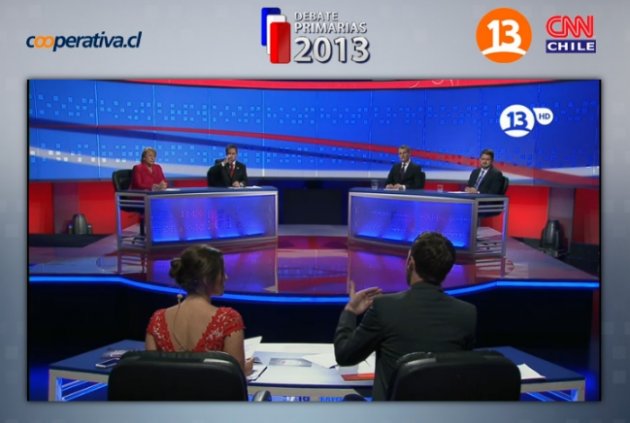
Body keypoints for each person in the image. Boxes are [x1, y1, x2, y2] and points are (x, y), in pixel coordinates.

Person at [334, 232, 477, 401]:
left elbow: (345, 356)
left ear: (411, 263)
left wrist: (350, 311)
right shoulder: (467, 314)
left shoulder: (384, 308)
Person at [145, 245, 253, 376]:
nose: (226, 277)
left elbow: (151, 374)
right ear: (206, 279)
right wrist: (245, 369)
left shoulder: (157, 319)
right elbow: (235, 377)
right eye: (222, 272)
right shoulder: (228, 319)